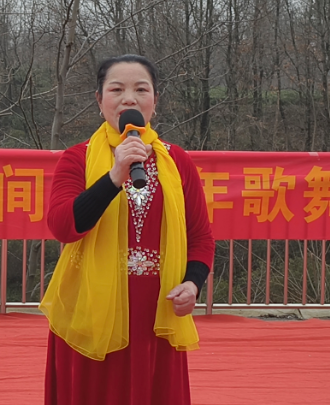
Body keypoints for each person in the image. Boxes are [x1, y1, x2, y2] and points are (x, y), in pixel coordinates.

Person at [39, 54, 215, 405]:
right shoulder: (77, 158)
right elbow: (63, 226)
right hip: (91, 308)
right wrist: (114, 176)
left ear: (155, 100)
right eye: (117, 89)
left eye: (141, 90)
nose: (129, 99)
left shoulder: (177, 161)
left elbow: (200, 237)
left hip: (156, 311)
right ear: (99, 99)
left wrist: (192, 283)